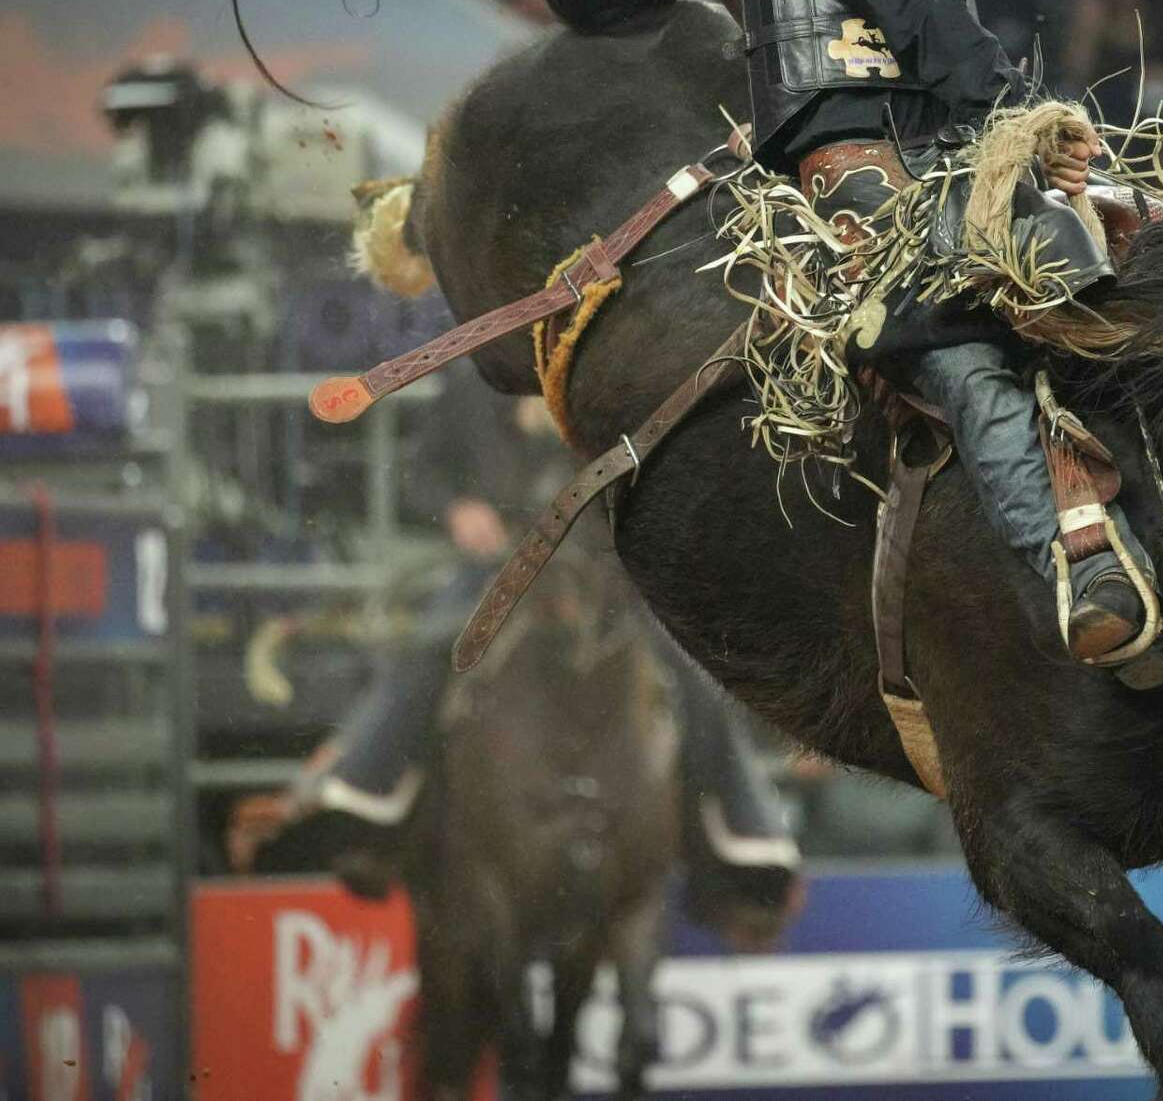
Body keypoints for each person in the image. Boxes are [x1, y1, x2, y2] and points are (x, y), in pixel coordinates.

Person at [735, 0, 1161, 661]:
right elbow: (916, 14)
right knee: (960, 331)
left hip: (938, 157)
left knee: (1125, 249)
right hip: (854, 161)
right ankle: (1075, 556)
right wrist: (1020, 112)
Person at [232, 361, 801, 912]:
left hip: (601, 572)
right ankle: (365, 800)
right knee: (430, 651)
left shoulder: (608, 372)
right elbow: (424, 473)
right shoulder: (472, 379)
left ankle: (744, 836)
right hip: (497, 567)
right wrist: (459, 509)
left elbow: (655, 475)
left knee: (691, 675)